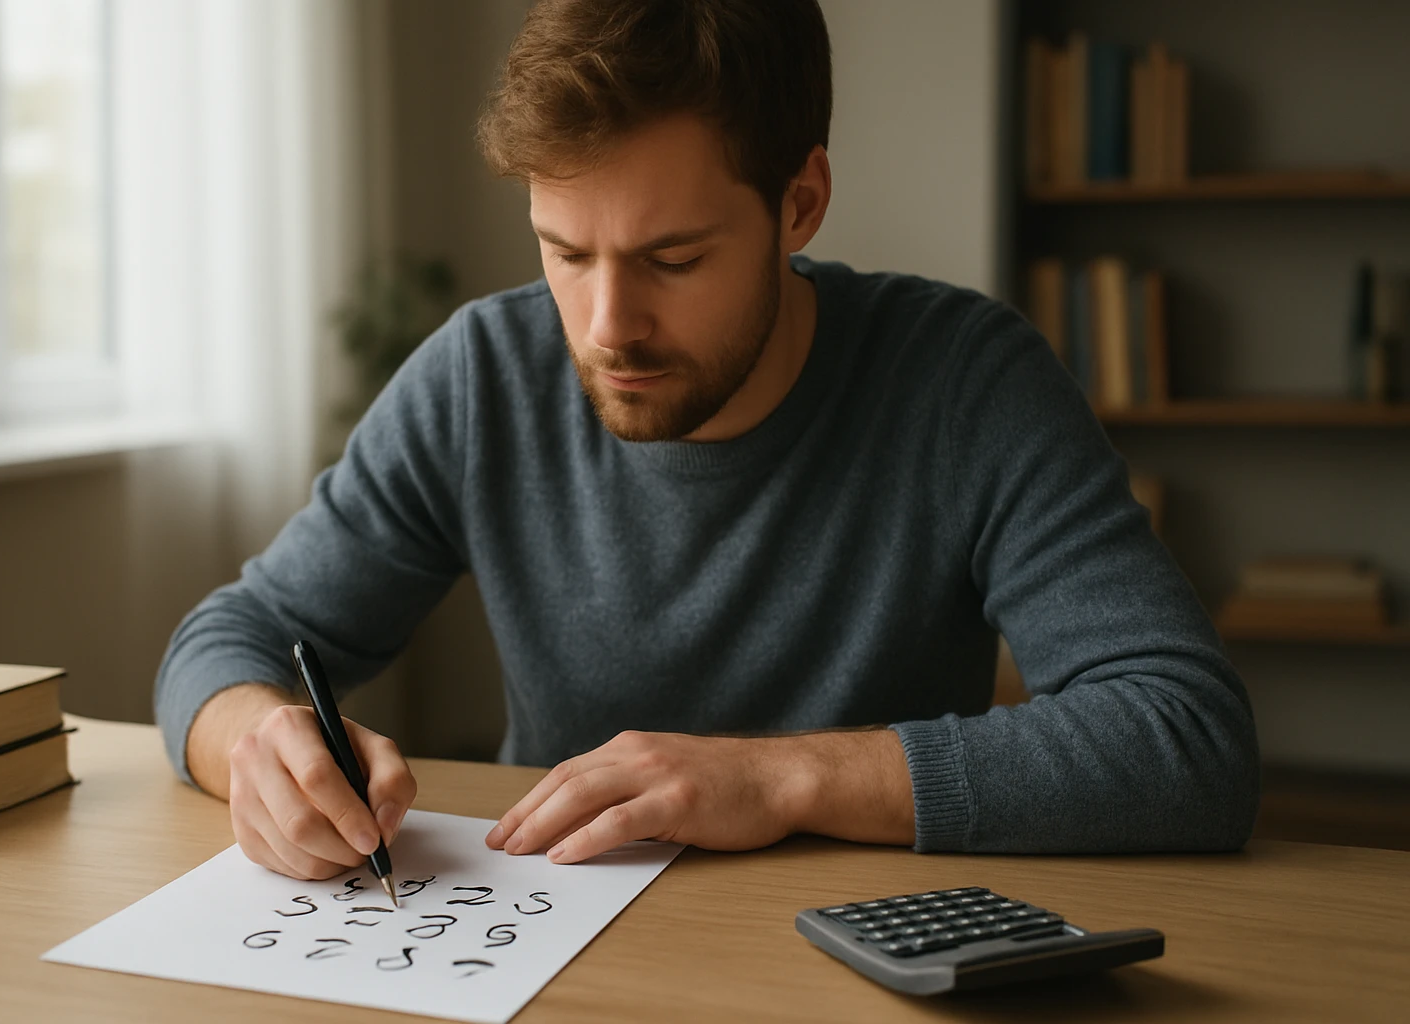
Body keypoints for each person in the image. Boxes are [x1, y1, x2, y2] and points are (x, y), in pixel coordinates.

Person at [154, 0, 1259, 883]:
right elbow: (235, 635)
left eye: (673, 260)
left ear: (802, 202)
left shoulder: (967, 381)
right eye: (565, 251)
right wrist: (257, 741)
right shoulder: (482, 373)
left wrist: (781, 779)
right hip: (545, 941)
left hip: (856, 955)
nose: (604, 327)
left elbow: (1183, 737)